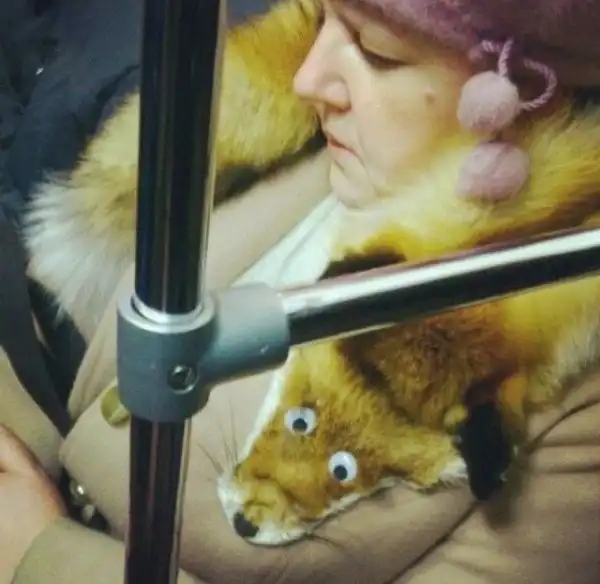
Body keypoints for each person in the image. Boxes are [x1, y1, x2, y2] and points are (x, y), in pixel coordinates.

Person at [1, 1, 600, 583]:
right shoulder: (295, 146)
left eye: (377, 52)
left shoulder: (571, 394)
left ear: (532, 90)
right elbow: (64, 339)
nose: (308, 79)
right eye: (319, 17)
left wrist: (42, 554)